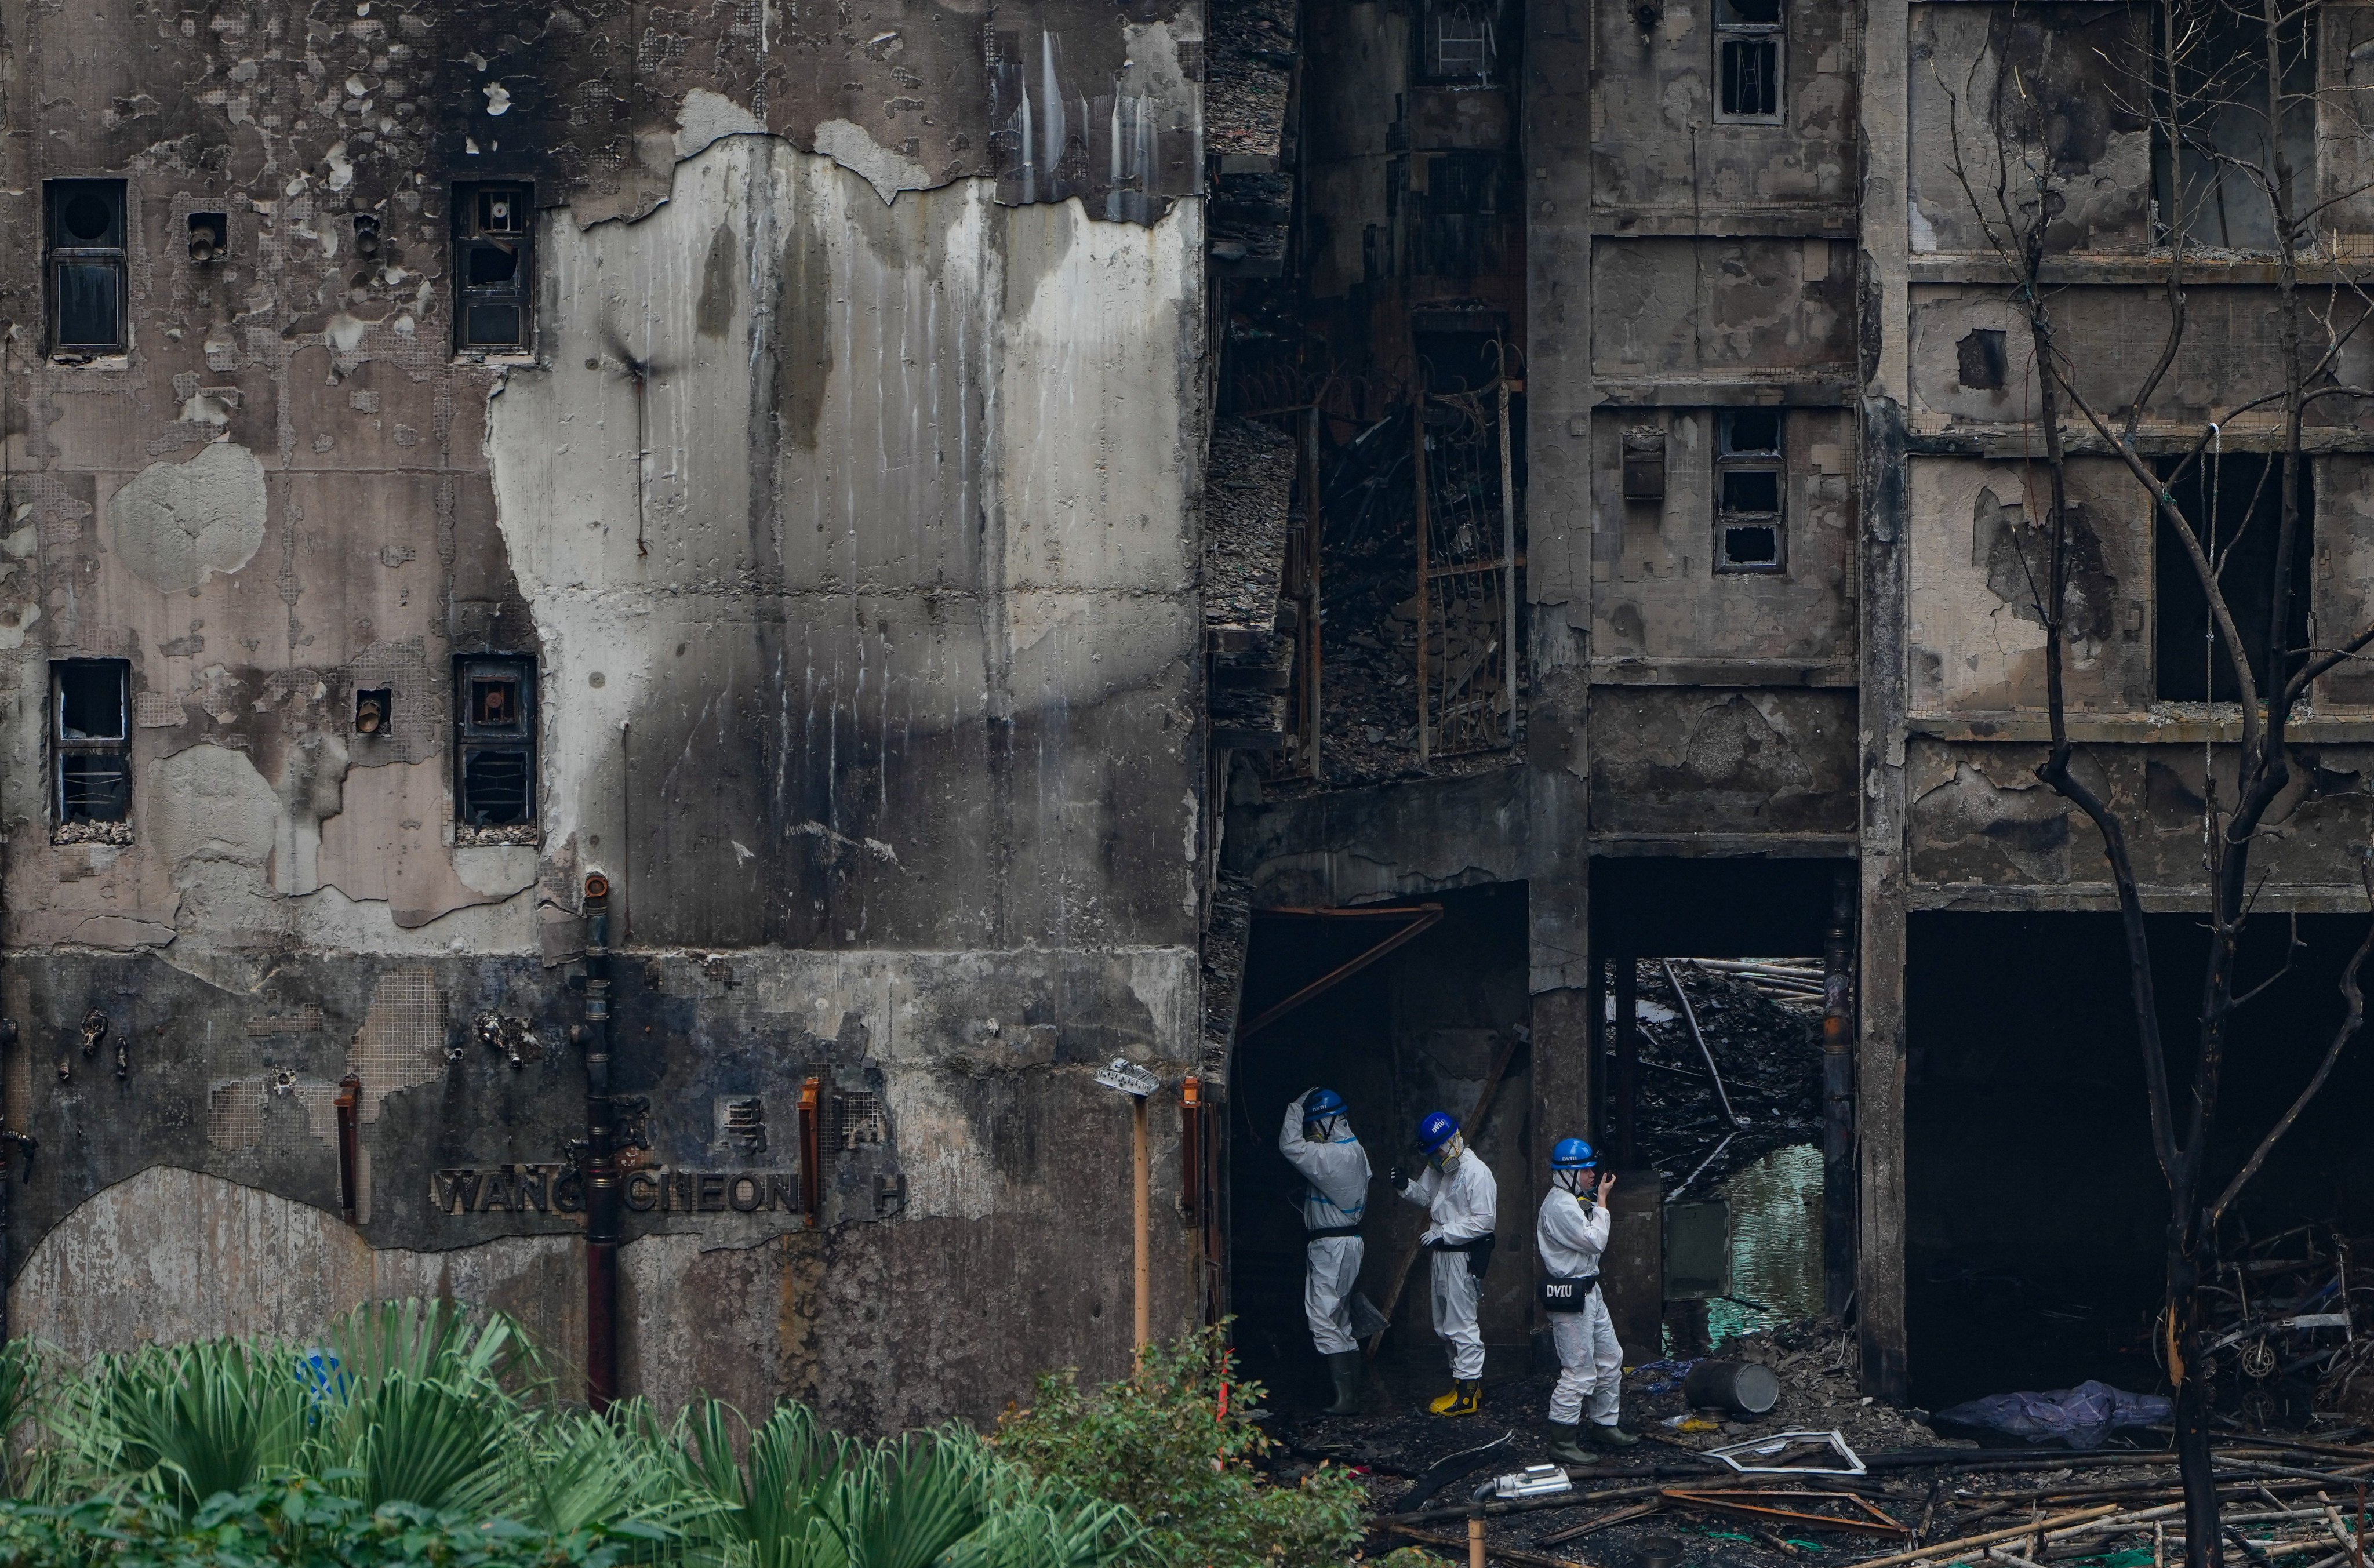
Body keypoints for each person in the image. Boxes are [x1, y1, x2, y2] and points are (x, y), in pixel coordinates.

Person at [1537, 1137, 1638, 1459]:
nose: (1592, 1175)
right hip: (1571, 1295)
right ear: (1568, 1173)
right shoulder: (1560, 1206)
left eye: (1590, 1169)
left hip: (1589, 1290)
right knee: (1578, 1370)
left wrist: (1594, 1200)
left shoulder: (1573, 1198)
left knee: (1610, 1357)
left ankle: (1605, 1424)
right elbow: (1595, 1241)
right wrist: (1603, 1202)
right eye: (1584, 1170)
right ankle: (1562, 1442)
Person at [1391, 1109, 1497, 1417]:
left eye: (1437, 1150)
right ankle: (1461, 1383)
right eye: (1432, 1153)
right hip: (1441, 1254)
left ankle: (1468, 1395)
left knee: (1462, 1325)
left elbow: (1484, 1222)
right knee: (1444, 1327)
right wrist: (1405, 1186)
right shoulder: (1440, 1167)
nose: (1435, 1157)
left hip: (1461, 1257)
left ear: (1453, 1141)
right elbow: (1427, 1197)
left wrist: (1446, 1234)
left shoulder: (1477, 1173)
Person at [1279, 1089, 1372, 1415]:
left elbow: (1290, 1146)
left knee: (1322, 1318)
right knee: (1340, 1318)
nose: (1312, 1133)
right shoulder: (1354, 1149)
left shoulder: (1334, 1155)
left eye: (1315, 1126)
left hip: (1331, 1246)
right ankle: (1351, 1395)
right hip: (1346, 1242)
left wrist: (1296, 1105)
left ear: (1330, 1123)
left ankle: (1344, 1400)